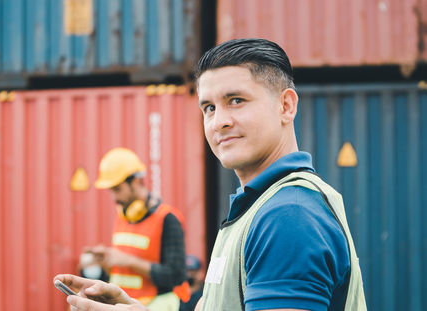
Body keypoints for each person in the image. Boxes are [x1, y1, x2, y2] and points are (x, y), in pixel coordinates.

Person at [54, 38, 367, 311]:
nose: (219, 122)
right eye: (209, 108)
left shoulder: (288, 215)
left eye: (236, 100)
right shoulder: (255, 209)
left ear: (286, 106)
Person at [81, 147, 189, 311]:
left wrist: (127, 260)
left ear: (136, 181)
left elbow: (175, 275)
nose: (114, 197)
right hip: (123, 305)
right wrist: (106, 260)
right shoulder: (122, 217)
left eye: (117, 189)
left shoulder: (167, 219)